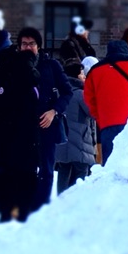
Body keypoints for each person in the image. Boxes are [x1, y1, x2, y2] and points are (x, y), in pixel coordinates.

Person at [18, 27, 73, 214]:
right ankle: (25, 206)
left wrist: (54, 111)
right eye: (24, 44)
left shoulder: (51, 65)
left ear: (38, 46)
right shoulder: (14, 67)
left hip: (46, 124)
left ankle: (40, 210)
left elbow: (67, 92)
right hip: (22, 126)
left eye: (31, 43)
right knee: (24, 168)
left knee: (47, 169)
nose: (28, 47)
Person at [0, 42, 43, 222]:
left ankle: (6, 210)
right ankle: (24, 210)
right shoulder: (30, 80)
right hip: (28, 136)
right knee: (26, 173)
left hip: (6, 135)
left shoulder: (4, 80)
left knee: (5, 173)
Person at [83, 36, 128, 165]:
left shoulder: (95, 71)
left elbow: (89, 98)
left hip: (107, 123)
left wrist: (99, 116)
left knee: (110, 164)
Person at [56, 56, 99, 193]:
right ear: (76, 75)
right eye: (81, 73)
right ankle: (75, 204)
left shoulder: (58, 93)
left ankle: (60, 204)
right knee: (81, 176)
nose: (84, 76)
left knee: (64, 172)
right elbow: (93, 113)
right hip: (80, 142)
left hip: (62, 141)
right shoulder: (81, 94)